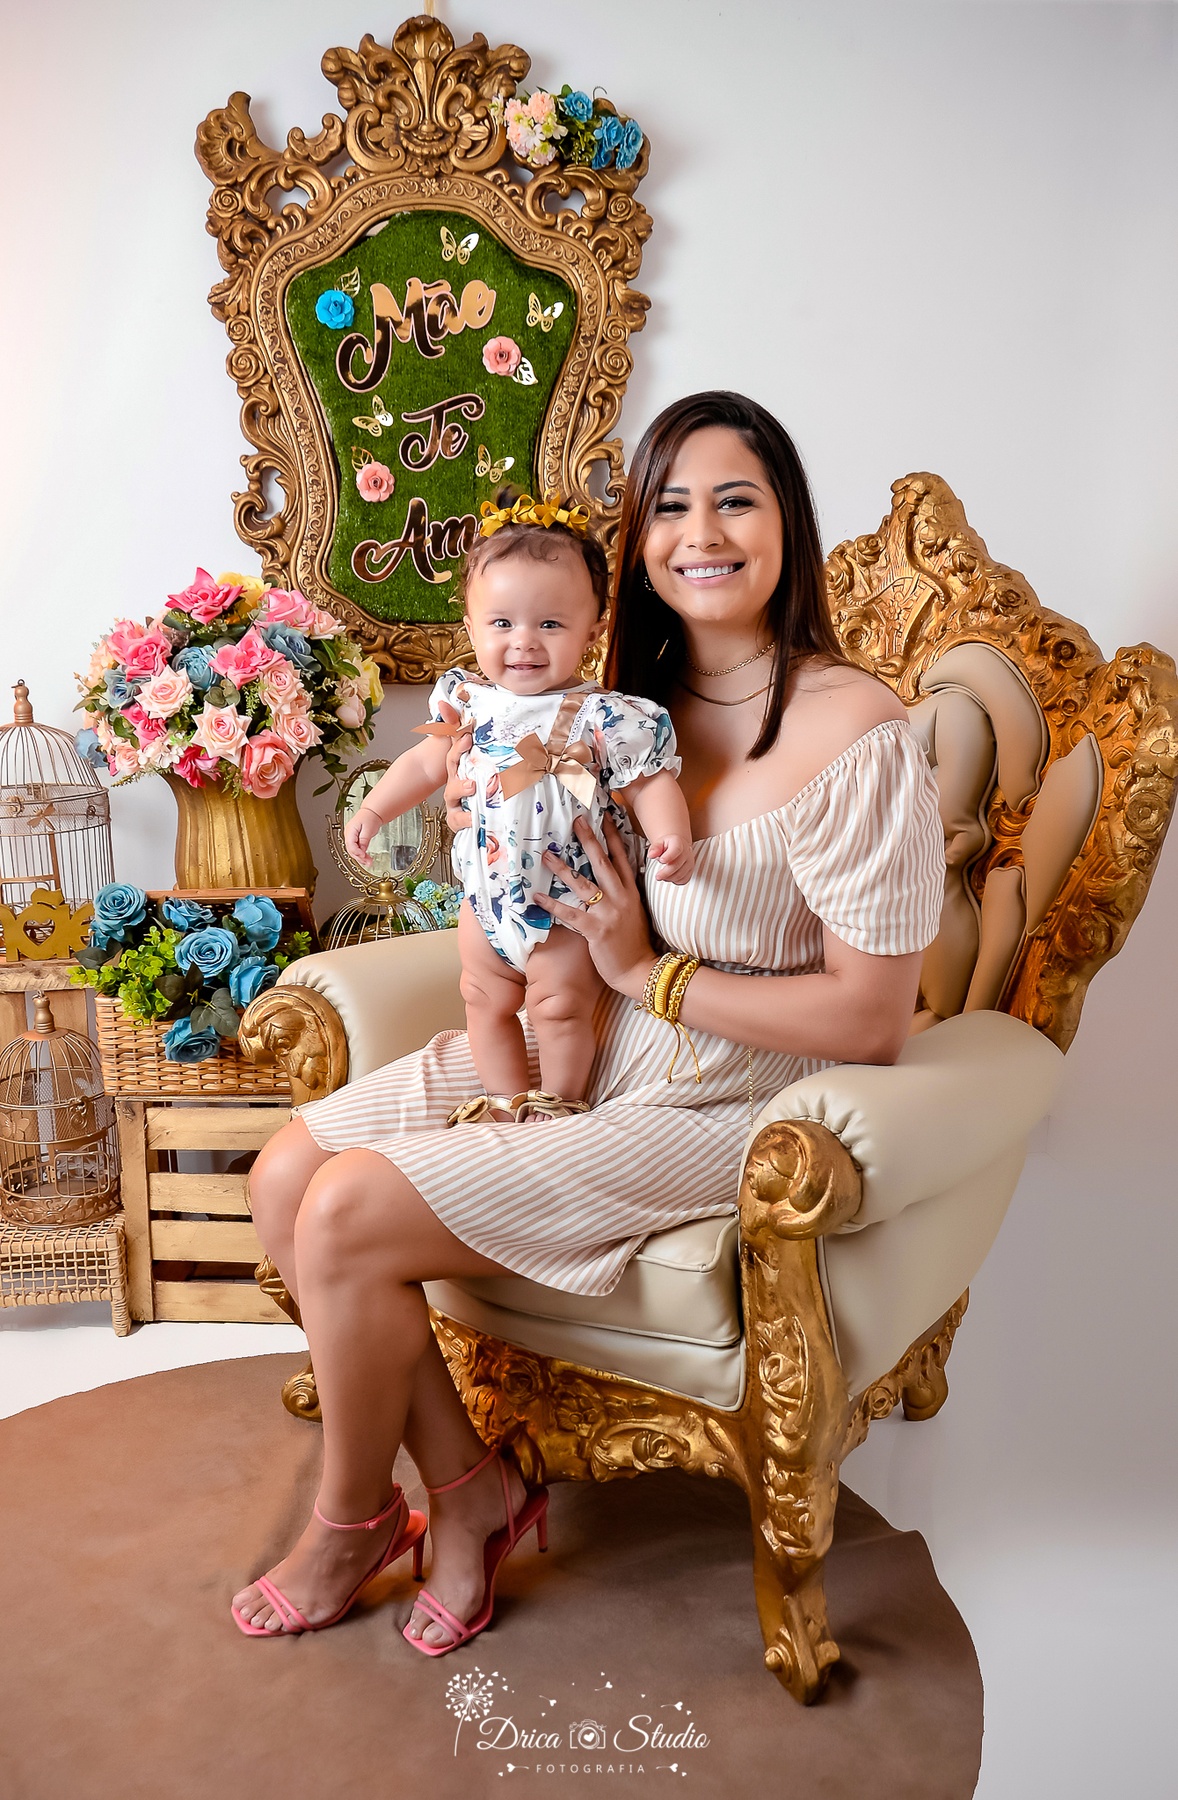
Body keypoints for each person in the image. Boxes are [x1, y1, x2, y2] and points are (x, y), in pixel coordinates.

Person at [231, 391, 946, 1656]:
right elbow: (502, 807)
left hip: (732, 1086)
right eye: (668, 505)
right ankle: (472, 1489)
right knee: (287, 1176)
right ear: (635, 544)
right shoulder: (615, 690)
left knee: (345, 1211)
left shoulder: (857, 730)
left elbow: (875, 1019)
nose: (700, 532)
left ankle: (352, 1518)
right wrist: (470, 819)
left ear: (789, 521)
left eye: (736, 498)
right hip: (588, 1039)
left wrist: (643, 969)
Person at [342, 494, 693, 1126]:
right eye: (502, 624)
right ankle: (503, 1104)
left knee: (560, 1005)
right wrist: (374, 808)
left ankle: (558, 1103)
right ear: (472, 627)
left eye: (550, 625)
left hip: (570, 898)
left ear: (593, 628)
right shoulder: (467, 702)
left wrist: (671, 834)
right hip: (486, 894)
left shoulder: (606, 716)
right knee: (481, 997)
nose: (524, 642)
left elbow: (649, 782)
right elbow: (424, 765)